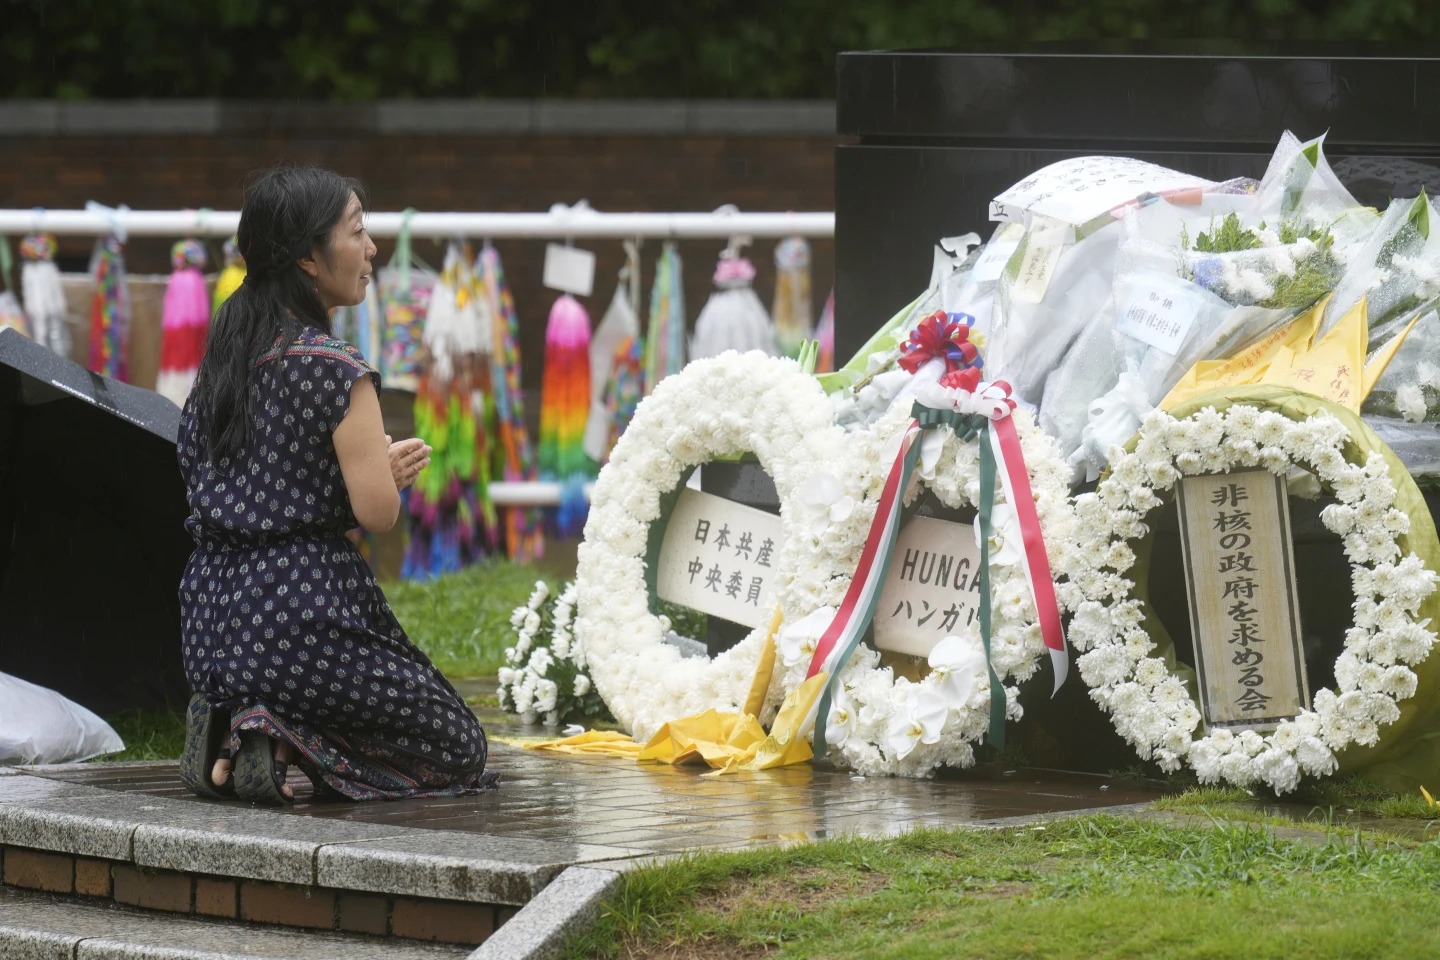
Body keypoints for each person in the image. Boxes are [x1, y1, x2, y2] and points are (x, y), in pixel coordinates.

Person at [176, 165, 493, 803]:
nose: (371, 249)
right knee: (460, 748)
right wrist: (385, 475)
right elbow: (377, 514)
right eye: (356, 232)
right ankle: (273, 725)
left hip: (209, 619)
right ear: (308, 259)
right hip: (300, 617)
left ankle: (244, 721)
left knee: (316, 688)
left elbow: (241, 483)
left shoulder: (221, 365)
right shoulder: (337, 370)